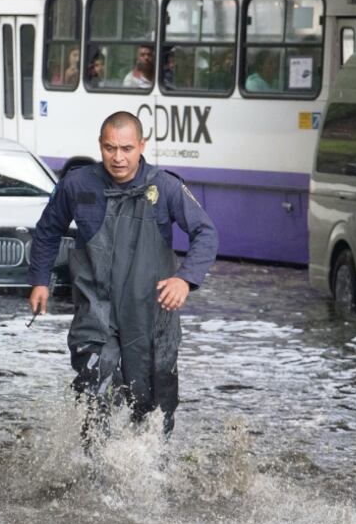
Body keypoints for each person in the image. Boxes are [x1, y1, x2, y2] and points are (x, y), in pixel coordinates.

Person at [28, 111, 218, 436]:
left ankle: (148, 475)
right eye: (110, 148)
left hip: (150, 315)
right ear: (100, 146)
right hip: (96, 310)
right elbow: (47, 231)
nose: (118, 158)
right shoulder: (77, 185)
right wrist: (40, 281)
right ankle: (94, 473)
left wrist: (185, 278)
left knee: (152, 408)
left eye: (127, 149)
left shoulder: (166, 187)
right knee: (94, 390)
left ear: (142, 145)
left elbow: (206, 232)